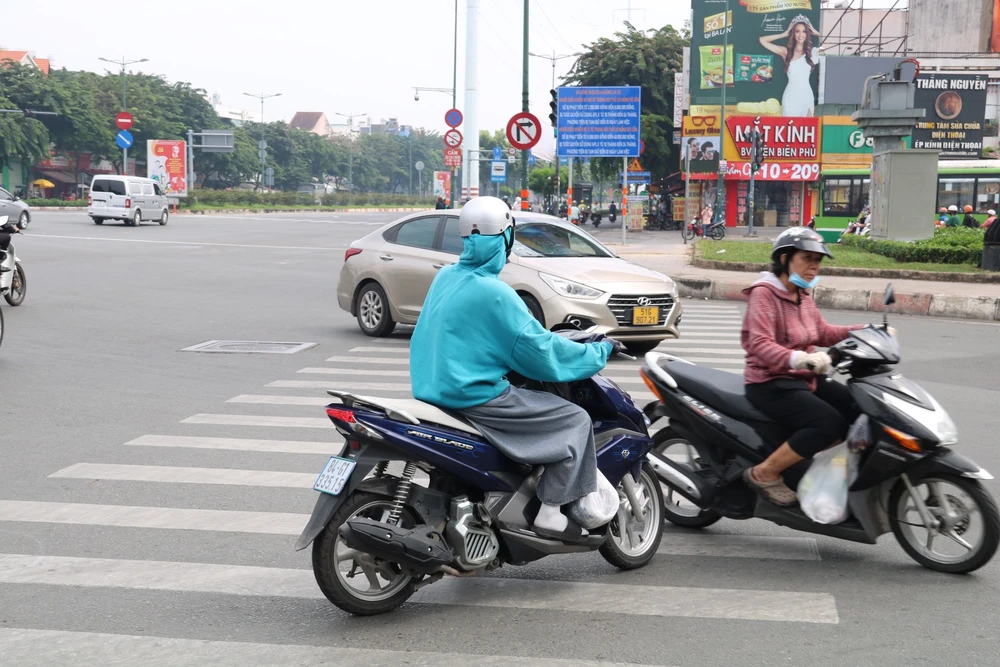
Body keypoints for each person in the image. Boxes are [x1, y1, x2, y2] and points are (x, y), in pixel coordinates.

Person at [409, 196, 620, 540]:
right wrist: (598, 352)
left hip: (433, 390)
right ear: (506, 238)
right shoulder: (496, 293)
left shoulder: (447, 276)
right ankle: (551, 511)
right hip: (474, 396)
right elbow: (541, 353)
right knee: (574, 420)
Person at [740, 228, 876, 506]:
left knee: (860, 407)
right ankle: (765, 472)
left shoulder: (802, 294)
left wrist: (865, 331)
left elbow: (822, 332)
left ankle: (815, 466)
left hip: (805, 378)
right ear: (785, 258)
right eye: (807, 258)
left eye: (818, 260)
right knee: (827, 422)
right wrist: (800, 359)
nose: (814, 266)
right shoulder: (764, 294)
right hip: (769, 383)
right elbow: (759, 344)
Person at [760, 16, 821, 117]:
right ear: (793, 33)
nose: (800, 35)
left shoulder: (813, 53)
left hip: (806, 97)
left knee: (808, 129)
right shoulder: (786, 52)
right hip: (790, 98)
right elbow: (762, 40)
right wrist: (783, 34)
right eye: (797, 31)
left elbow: (830, 45)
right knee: (788, 129)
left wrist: (816, 32)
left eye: (804, 31)